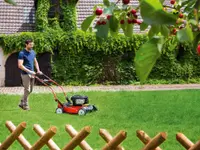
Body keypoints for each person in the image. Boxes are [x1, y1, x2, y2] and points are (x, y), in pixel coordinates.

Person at [18, 39, 42, 110]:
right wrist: (29, 71)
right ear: (26, 44)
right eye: (30, 45)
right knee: (27, 89)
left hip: (32, 74)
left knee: (30, 90)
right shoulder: (22, 53)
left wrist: (38, 70)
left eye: (32, 45)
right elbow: (20, 65)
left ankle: (21, 101)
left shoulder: (33, 52)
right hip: (25, 74)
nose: (31, 46)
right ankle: (25, 105)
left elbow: (35, 62)